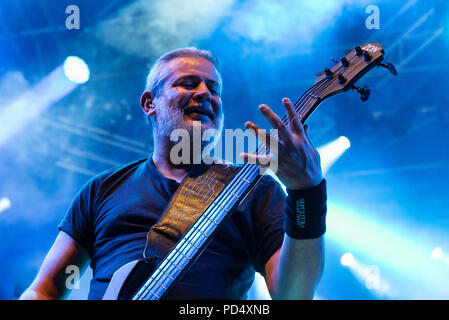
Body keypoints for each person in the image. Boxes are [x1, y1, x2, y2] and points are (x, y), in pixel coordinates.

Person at [19, 47, 326, 300]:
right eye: (189, 83)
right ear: (149, 103)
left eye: (215, 89)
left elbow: (294, 295)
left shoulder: (253, 191)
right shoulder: (101, 190)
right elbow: (44, 289)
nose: (206, 93)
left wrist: (307, 193)